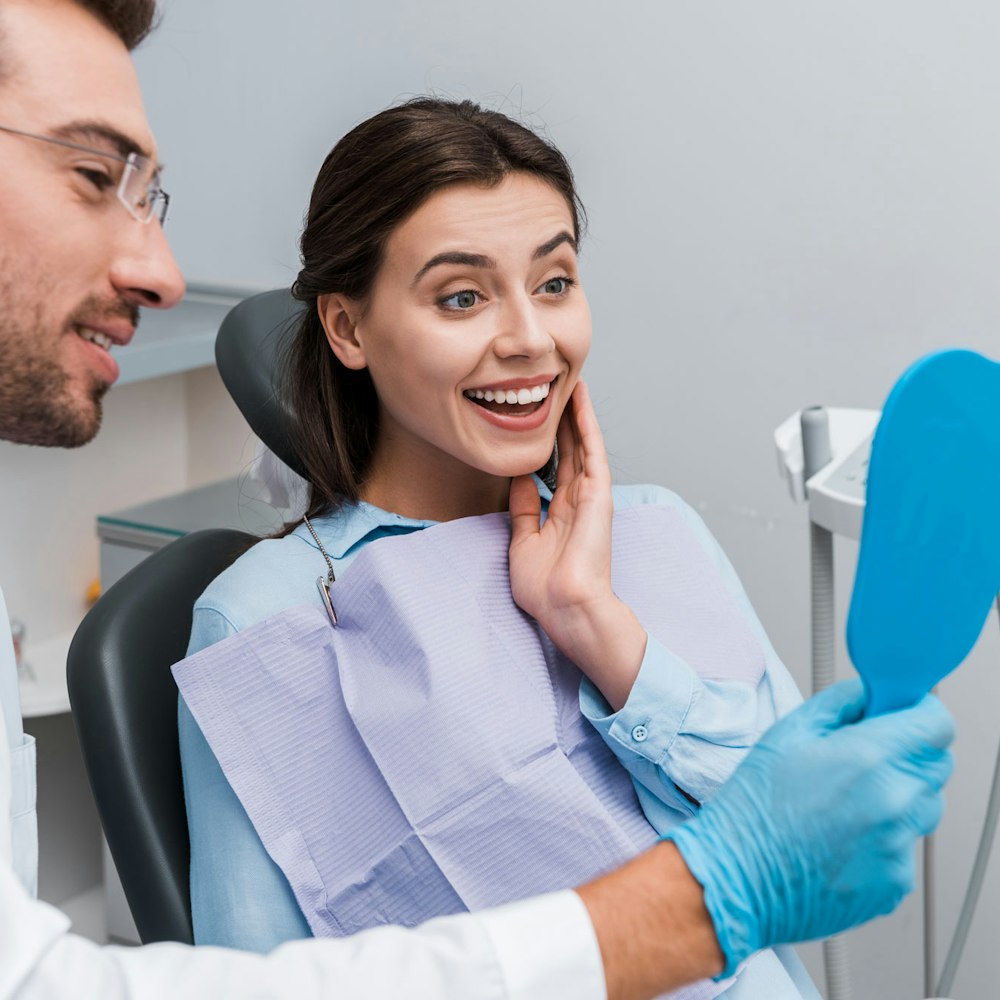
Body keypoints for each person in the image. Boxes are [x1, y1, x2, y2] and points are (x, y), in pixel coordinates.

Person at [0, 0, 955, 998]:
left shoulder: (655, 532)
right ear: (347, 328)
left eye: (553, 282)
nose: (529, 338)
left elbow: (816, 837)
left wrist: (602, 632)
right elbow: (257, 973)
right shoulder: (268, 626)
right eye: (461, 296)